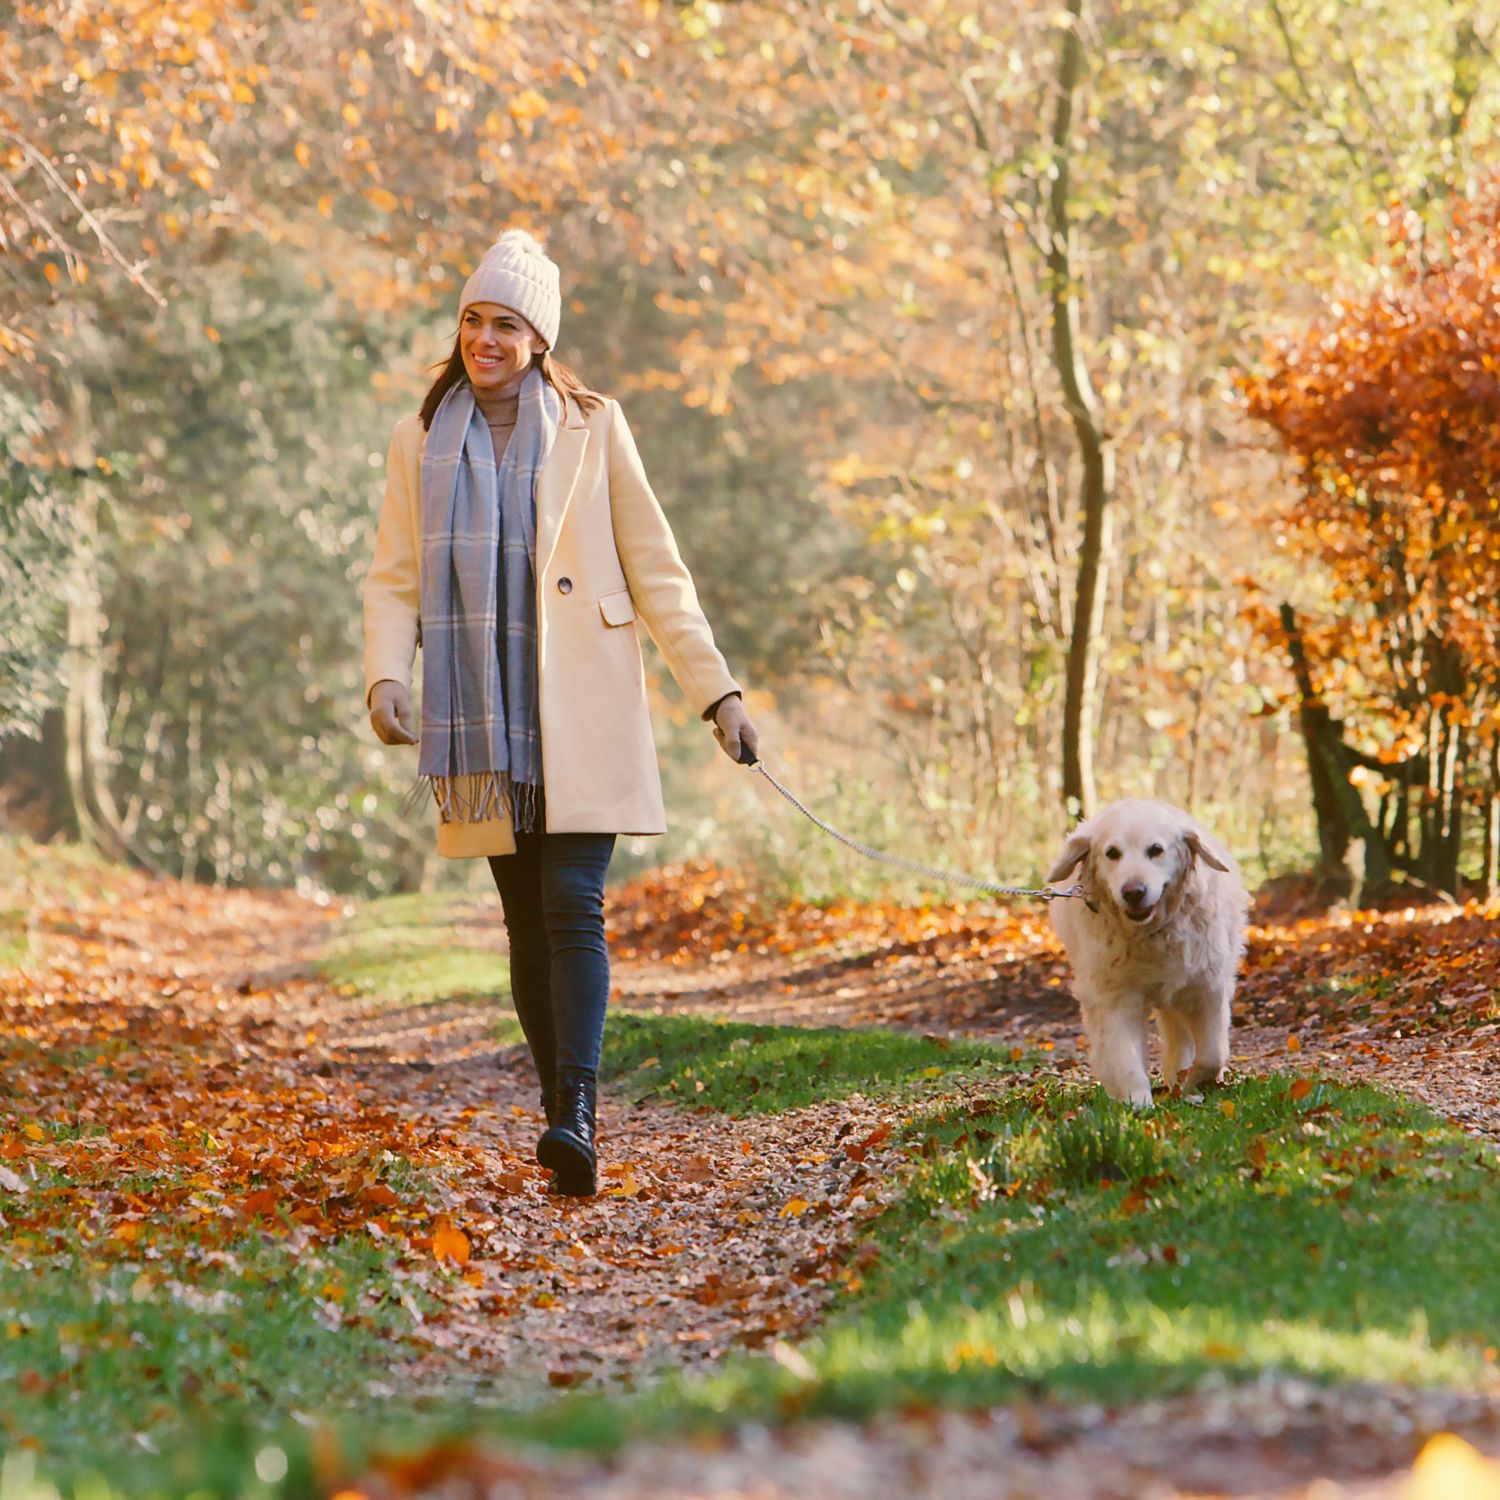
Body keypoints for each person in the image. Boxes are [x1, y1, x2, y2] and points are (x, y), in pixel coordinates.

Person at [362, 228, 758, 1198]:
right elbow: (393, 577)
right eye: (471, 319)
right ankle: (558, 1113)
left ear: (539, 339)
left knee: (571, 906)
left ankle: (575, 1111)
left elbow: (657, 570)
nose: (484, 338)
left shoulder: (593, 424)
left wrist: (717, 691)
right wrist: (385, 677)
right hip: (478, 718)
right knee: (523, 923)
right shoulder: (420, 437)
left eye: (504, 323)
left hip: (579, 705)